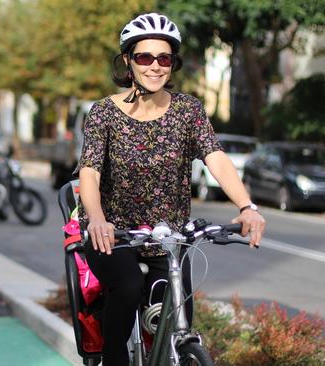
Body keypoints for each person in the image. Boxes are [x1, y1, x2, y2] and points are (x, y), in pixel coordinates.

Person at [76, 13, 266, 366]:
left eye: (164, 59)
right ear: (128, 62)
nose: (155, 67)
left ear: (173, 64)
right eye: (145, 57)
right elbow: (89, 172)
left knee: (180, 312)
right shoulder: (104, 112)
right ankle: (113, 356)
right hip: (114, 235)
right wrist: (98, 221)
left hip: (168, 236)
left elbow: (216, 158)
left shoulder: (187, 110)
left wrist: (246, 206)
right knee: (129, 287)